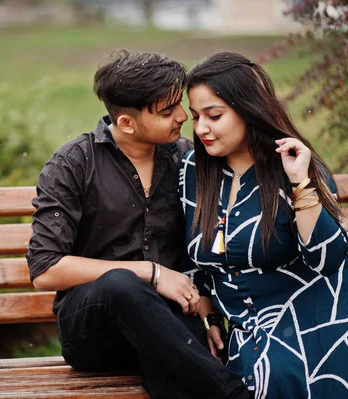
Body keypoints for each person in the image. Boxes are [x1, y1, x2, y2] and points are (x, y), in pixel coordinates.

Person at [26, 50, 253, 398]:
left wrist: (206, 314)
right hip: (93, 332)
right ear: (127, 124)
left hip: (166, 320)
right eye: (167, 112)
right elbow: (45, 269)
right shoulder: (74, 164)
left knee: (173, 369)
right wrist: (150, 272)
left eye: (179, 105)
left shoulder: (186, 161)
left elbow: (230, 211)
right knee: (123, 284)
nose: (182, 117)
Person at [178, 52, 348, 399]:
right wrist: (207, 317)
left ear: (249, 109)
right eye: (196, 117)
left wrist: (300, 184)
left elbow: (325, 260)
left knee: (282, 377)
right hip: (249, 330)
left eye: (214, 115)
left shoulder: (293, 164)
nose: (201, 128)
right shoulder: (194, 169)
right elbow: (196, 257)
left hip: (323, 318)